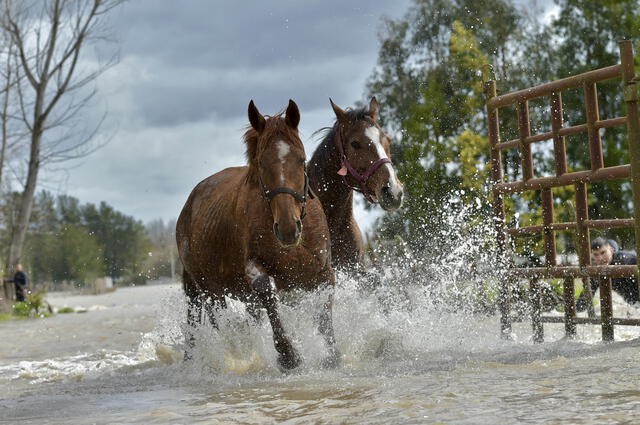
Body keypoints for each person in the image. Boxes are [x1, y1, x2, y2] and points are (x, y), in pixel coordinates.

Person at [576, 237, 639, 311]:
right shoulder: (598, 271)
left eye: (603, 252)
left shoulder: (625, 259)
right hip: (635, 304)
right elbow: (585, 299)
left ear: (611, 250)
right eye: (596, 255)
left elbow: (634, 258)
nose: (600, 258)